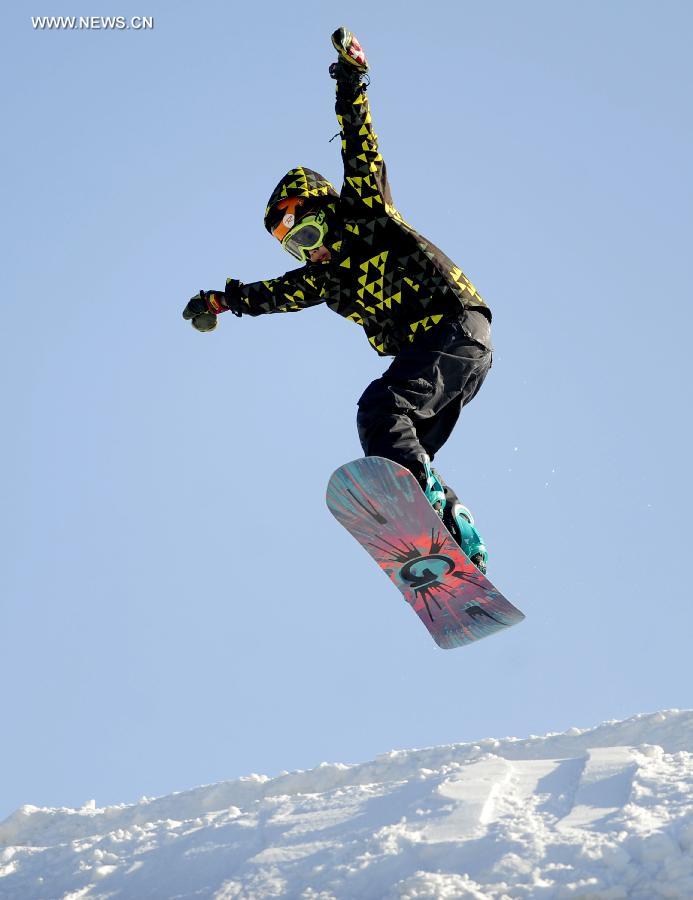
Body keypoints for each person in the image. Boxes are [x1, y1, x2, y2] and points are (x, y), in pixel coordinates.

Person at [183, 27, 493, 573]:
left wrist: (351, 77)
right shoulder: (323, 279)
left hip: (453, 325)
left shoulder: (364, 212)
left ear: (326, 212)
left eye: (306, 236)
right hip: (450, 352)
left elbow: (358, 141)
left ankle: (430, 500)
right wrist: (220, 302)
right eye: (293, 249)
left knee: (380, 406)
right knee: (392, 441)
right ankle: (454, 528)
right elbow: (271, 295)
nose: (310, 254)